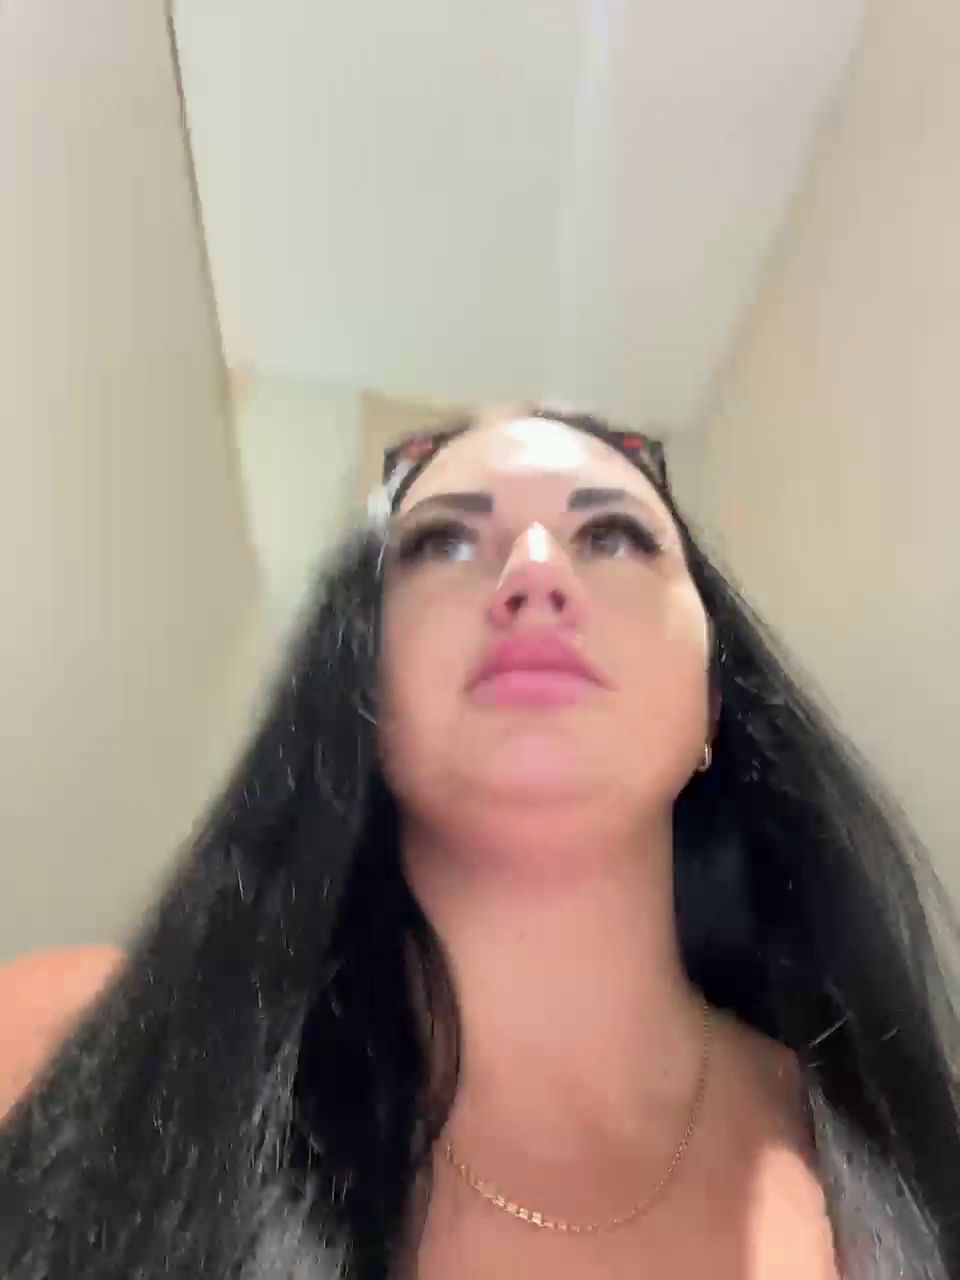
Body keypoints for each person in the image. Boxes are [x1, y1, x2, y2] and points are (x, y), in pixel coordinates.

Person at [0, 408, 957, 1280]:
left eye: (612, 536)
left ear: (712, 700)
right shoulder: (63, 1045)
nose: (536, 572)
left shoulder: (902, 1128)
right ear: (359, 686)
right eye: (443, 542)